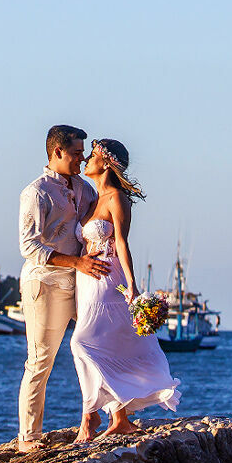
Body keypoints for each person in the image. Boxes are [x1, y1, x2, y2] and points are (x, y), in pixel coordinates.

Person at [70, 138, 180, 441]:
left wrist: (132, 285)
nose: (86, 161)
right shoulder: (91, 198)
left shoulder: (116, 198)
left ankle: (90, 417)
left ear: (106, 162)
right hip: (86, 282)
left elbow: (121, 242)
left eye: (91, 156)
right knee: (107, 346)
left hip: (108, 279)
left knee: (81, 344)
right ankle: (118, 418)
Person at [16, 124, 106, 451]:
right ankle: (28, 438)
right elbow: (29, 247)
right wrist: (76, 262)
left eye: (84, 153)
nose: (82, 159)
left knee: (97, 345)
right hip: (44, 285)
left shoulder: (85, 189)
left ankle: (109, 417)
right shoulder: (36, 193)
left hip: (82, 283)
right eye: (77, 153)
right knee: (41, 360)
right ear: (58, 152)